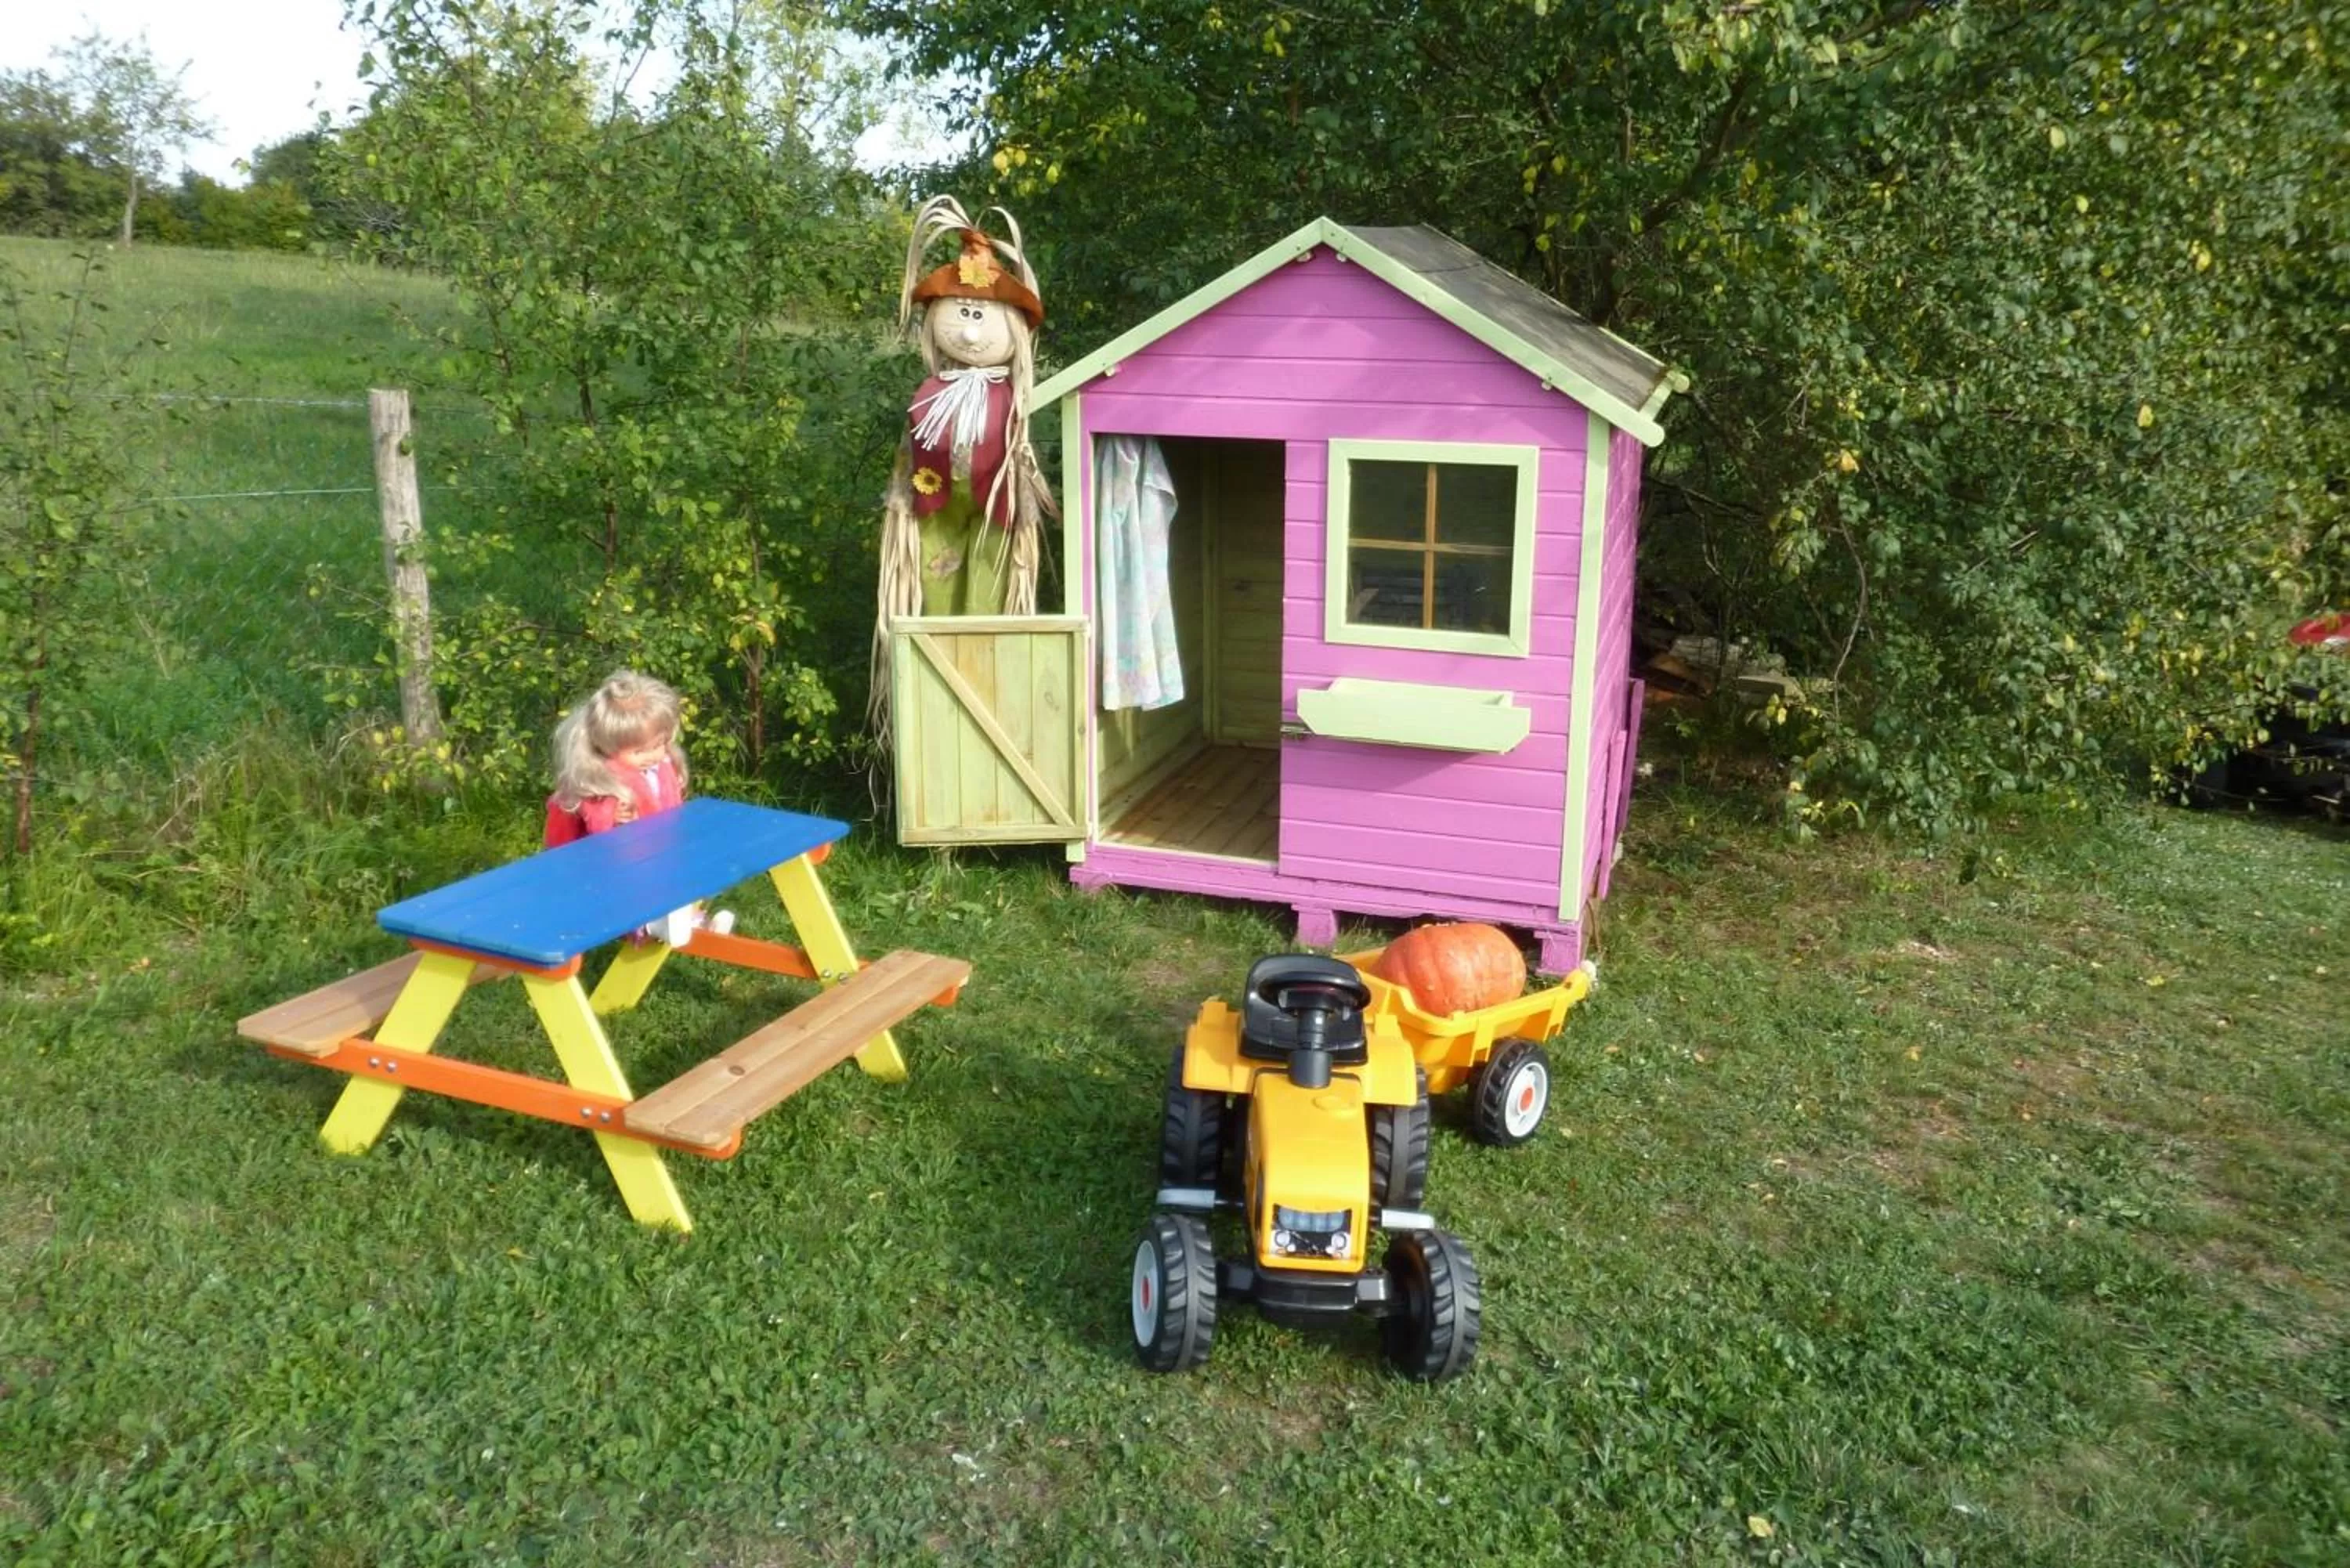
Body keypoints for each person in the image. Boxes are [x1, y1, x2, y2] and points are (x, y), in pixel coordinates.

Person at [543, 669, 732, 941]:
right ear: (608, 747)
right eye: (639, 752)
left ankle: (693, 920)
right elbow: (594, 821)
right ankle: (647, 927)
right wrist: (612, 818)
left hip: (657, 851)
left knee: (694, 867)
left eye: (659, 745)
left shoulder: (662, 764)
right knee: (638, 886)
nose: (652, 756)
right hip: (611, 867)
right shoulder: (603, 779)